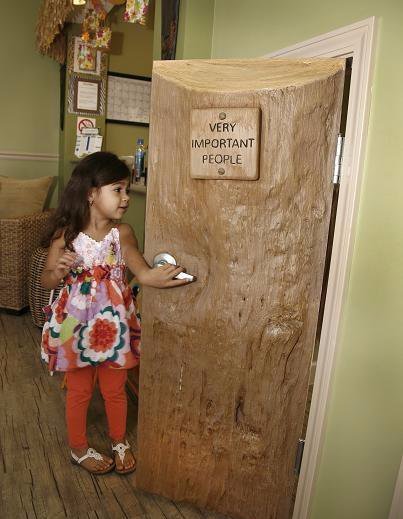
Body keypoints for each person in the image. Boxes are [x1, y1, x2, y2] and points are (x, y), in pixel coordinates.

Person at [41, 151, 192, 475]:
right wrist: (60, 270)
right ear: (91, 193)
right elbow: (47, 278)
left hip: (114, 328)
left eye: (127, 190)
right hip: (74, 325)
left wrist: (151, 276)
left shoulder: (120, 233)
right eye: (118, 190)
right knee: (79, 390)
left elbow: (136, 263)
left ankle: (119, 440)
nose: (126, 198)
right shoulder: (65, 235)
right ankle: (78, 447)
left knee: (114, 388)